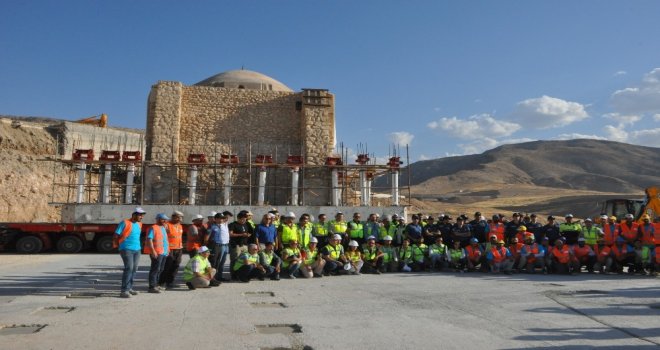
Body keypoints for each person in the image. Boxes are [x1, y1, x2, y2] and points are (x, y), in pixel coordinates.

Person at [114, 207, 145, 298]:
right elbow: (116, 235)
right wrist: (118, 246)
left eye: (142, 215)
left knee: (134, 268)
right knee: (129, 268)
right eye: (140, 215)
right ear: (134, 215)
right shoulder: (125, 222)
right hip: (126, 249)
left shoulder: (139, 224)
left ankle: (129, 288)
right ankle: (124, 291)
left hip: (137, 249)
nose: (141, 217)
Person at [145, 213, 170, 293]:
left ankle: (156, 284)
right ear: (158, 219)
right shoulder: (153, 228)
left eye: (166, 219)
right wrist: (153, 251)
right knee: (155, 269)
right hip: (157, 252)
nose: (165, 221)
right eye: (163, 219)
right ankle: (152, 286)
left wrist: (167, 250)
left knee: (161, 269)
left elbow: (165, 240)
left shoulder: (163, 228)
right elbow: (149, 240)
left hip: (163, 252)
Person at [159, 211, 184, 289]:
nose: (180, 219)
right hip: (169, 249)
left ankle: (170, 282)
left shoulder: (180, 226)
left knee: (176, 265)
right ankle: (161, 282)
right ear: (173, 217)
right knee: (167, 266)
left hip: (179, 248)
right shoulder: (167, 225)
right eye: (178, 217)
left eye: (181, 217)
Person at [229, 211, 252, 280]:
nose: (244, 220)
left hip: (244, 245)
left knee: (244, 260)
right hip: (236, 245)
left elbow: (251, 232)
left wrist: (248, 235)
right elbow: (231, 234)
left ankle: (241, 274)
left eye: (245, 219)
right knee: (235, 260)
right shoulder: (233, 224)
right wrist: (241, 234)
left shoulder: (246, 224)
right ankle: (233, 275)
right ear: (238, 218)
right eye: (242, 219)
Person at [209, 212, 230, 282]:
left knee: (222, 262)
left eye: (222, 218)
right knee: (216, 262)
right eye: (219, 218)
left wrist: (226, 216)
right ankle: (213, 277)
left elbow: (227, 217)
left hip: (226, 245)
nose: (221, 220)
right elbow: (208, 237)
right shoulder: (213, 226)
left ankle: (219, 276)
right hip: (218, 245)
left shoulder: (224, 224)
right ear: (215, 219)